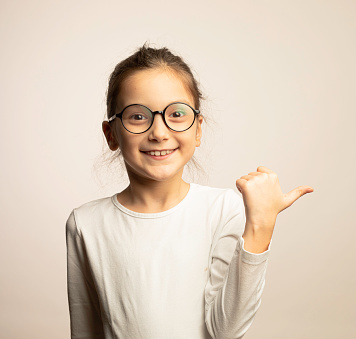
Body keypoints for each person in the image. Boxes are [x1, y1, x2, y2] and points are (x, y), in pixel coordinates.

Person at [65, 44, 314, 339]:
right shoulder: (85, 223)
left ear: (197, 130)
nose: (159, 133)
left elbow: (226, 331)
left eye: (177, 114)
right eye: (137, 116)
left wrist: (260, 225)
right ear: (111, 134)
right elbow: (85, 327)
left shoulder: (224, 210)